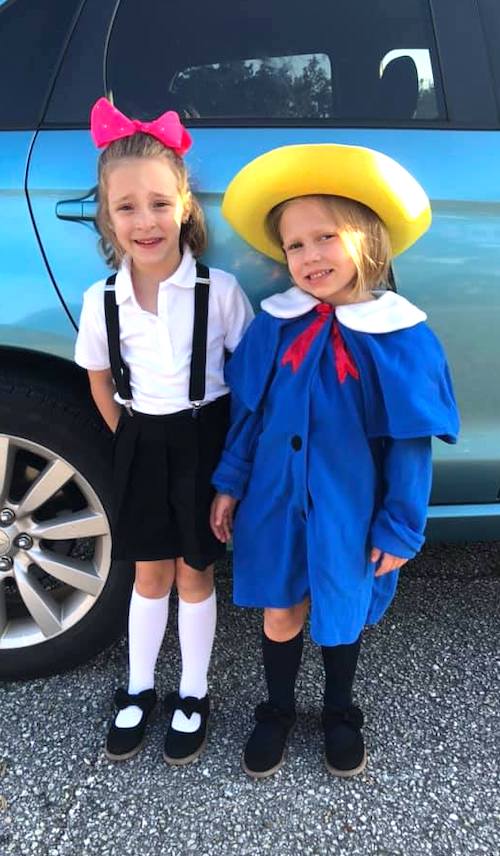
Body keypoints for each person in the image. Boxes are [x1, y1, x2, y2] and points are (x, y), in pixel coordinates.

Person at [210, 143, 459, 779]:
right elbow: (250, 413)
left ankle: (340, 711)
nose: (309, 256)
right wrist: (230, 483)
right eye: (294, 245)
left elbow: (410, 444)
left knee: (340, 609)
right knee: (280, 608)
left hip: (348, 509)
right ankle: (277, 709)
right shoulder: (275, 325)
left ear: (366, 239)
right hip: (273, 501)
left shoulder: (398, 336)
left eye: (326, 237)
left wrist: (400, 526)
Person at [74, 98, 253, 764]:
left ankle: (194, 692)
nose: (144, 221)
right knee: (148, 572)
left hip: (204, 440)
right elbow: (99, 378)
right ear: (107, 218)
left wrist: (232, 468)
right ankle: (139, 687)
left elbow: (247, 378)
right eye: (126, 207)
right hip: (141, 439)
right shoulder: (102, 301)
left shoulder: (220, 291)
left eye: (158, 203)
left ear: (184, 205)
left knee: (194, 571)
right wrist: (130, 437)